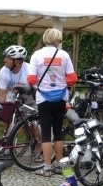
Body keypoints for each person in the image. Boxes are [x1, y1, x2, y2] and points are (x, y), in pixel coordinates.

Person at [28, 29, 78, 176]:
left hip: (43, 97)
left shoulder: (37, 55)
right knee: (58, 131)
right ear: (58, 40)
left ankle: (47, 167)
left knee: (45, 132)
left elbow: (31, 79)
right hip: (61, 97)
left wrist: (40, 83)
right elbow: (72, 79)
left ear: (45, 39)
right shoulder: (64, 55)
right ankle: (59, 165)